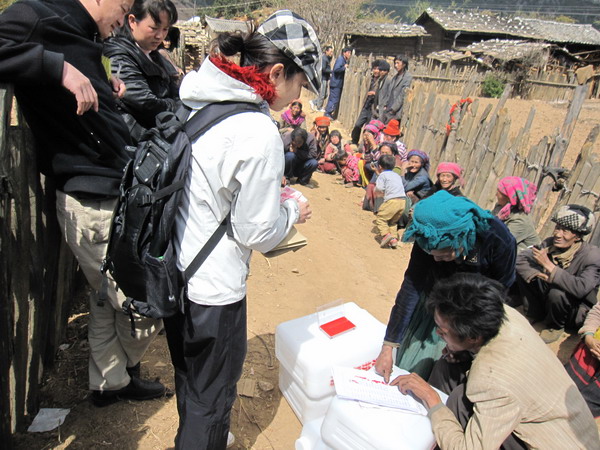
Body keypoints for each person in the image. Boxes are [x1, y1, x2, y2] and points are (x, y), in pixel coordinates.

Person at [0, 0, 166, 406]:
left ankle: (110, 383)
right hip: (91, 197)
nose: (124, 18)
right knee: (143, 302)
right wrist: (59, 69)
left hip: (112, 188)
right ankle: (122, 373)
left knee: (105, 296)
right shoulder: (38, 15)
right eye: (123, 6)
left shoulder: (86, 35)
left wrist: (105, 87)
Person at [165, 9, 319, 448]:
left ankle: (197, 435)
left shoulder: (201, 98)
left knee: (191, 378)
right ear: (276, 73)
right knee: (212, 397)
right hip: (215, 289)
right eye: (301, 83)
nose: (300, 95)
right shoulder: (257, 130)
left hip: (177, 270)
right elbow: (256, 232)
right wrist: (292, 212)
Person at [392, 273, 599, 450]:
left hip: (551, 443)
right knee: (448, 367)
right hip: (541, 410)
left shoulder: (495, 380)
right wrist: (464, 352)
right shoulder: (502, 313)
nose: (437, 334)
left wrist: (433, 400)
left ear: (472, 337)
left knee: (458, 402)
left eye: (443, 331)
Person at [375, 191, 516, 380]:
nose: (435, 260)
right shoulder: (429, 232)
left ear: (461, 241)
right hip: (435, 304)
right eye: (431, 255)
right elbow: (412, 286)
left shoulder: (498, 240)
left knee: (450, 374)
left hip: (473, 312)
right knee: (411, 365)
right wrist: (389, 345)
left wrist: (464, 341)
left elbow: (499, 293)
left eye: (442, 256)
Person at [515, 204, 600, 344]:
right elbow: (521, 259)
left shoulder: (593, 256)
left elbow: (581, 288)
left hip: (574, 310)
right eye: (557, 228)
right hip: (549, 299)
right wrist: (538, 275)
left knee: (557, 292)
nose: (558, 234)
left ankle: (555, 326)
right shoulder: (550, 243)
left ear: (577, 236)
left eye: (565, 231)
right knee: (528, 273)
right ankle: (534, 313)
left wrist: (549, 267)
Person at [104, 0, 181, 143]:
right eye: (154, 28)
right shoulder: (119, 56)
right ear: (132, 21)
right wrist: (179, 105)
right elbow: (146, 104)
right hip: (135, 141)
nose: (160, 36)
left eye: (165, 29)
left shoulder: (153, 55)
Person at [566, 301, 600, 417]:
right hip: (591, 351)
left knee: (582, 411)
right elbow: (597, 312)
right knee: (562, 388)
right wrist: (589, 336)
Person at [494, 176, 541, 252]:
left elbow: (498, 242)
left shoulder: (520, 220)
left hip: (521, 257)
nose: (496, 194)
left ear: (509, 197)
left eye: (499, 192)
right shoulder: (501, 208)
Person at [350, 59, 389, 144]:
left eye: (378, 69)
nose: (376, 71)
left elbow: (383, 95)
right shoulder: (370, 79)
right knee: (358, 124)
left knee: (368, 127)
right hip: (367, 105)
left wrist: (375, 94)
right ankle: (354, 141)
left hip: (374, 108)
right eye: (374, 69)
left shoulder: (383, 81)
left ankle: (364, 145)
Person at [374, 154, 406, 249]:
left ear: (380, 166)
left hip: (392, 200)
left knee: (381, 218)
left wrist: (378, 192)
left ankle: (386, 235)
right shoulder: (396, 175)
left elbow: (379, 188)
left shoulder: (382, 175)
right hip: (402, 201)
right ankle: (393, 240)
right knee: (392, 221)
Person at [382, 54, 412, 123]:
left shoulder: (407, 77)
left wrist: (393, 110)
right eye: (395, 63)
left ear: (404, 64)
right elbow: (389, 92)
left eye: (398, 63)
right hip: (388, 108)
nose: (396, 65)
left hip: (396, 111)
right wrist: (385, 105)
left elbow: (402, 95)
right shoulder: (395, 77)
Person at [325, 46, 351, 119]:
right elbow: (336, 70)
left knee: (332, 98)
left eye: (350, 53)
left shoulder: (343, 60)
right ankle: (328, 113)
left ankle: (327, 112)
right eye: (348, 53)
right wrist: (344, 67)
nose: (349, 54)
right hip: (336, 83)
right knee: (334, 99)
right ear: (344, 53)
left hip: (336, 82)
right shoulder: (340, 59)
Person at [310, 45, 333, 112]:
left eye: (332, 52)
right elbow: (323, 69)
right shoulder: (324, 58)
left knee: (325, 94)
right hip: (322, 78)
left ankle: (314, 102)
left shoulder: (327, 58)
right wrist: (332, 71)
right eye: (330, 51)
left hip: (325, 78)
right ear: (326, 51)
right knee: (322, 94)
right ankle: (319, 107)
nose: (331, 53)